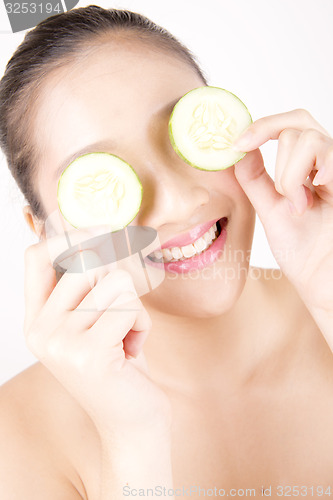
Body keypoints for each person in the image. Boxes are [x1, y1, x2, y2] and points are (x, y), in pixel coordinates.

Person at [0, 5, 333, 499]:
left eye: (186, 137)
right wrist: (133, 441)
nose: (178, 203)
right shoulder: (17, 439)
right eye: (101, 180)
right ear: (46, 232)